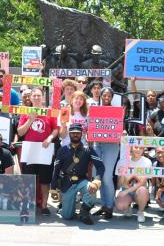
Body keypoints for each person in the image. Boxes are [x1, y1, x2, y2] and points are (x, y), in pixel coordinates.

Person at [50, 123, 105, 225]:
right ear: (69, 134)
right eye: (73, 133)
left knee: (92, 189)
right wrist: (53, 188)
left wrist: (97, 180)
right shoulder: (62, 150)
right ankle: (66, 207)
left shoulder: (88, 149)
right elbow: (56, 169)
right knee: (67, 216)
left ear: (82, 134)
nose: (75, 135)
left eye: (78, 133)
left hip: (82, 180)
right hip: (67, 183)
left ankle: (84, 212)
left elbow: (101, 166)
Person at [18, 87, 59, 215]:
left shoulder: (49, 111)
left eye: (38, 95)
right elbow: (20, 132)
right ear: (30, 98)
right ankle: (29, 204)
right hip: (29, 150)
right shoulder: (25, 112)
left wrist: (50, 137)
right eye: (34, 95)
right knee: (28, 179)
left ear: (43, 97)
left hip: (45, 150)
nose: (36, 97)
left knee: (45, 180)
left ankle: (44, 205)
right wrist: (30, 119)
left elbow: (56, 129)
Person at [92, 87, 119, 219]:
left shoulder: (117, 111)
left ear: (112, 97)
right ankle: (103, 205)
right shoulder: (94, 110)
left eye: (109, 95)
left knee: (107, 177)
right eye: (104, 95)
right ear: (101, 96)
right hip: (97, 144)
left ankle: (109, 206)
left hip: (112, 145)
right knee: (100, 176)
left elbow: (121, 127)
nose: (106, 97)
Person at [114, 145, 151, 222]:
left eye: (141, 148)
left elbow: (142, 182)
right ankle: (128, 207)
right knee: (120, 206)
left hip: (139, 191)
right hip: (126, 190)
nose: (138, 150)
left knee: (143, 190)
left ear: (143, 149)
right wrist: (122, 174)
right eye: (136, 147)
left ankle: (140, 211)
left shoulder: (147, 161)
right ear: (131, 148)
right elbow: (119, 184)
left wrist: (124, 192)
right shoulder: (122, 161)